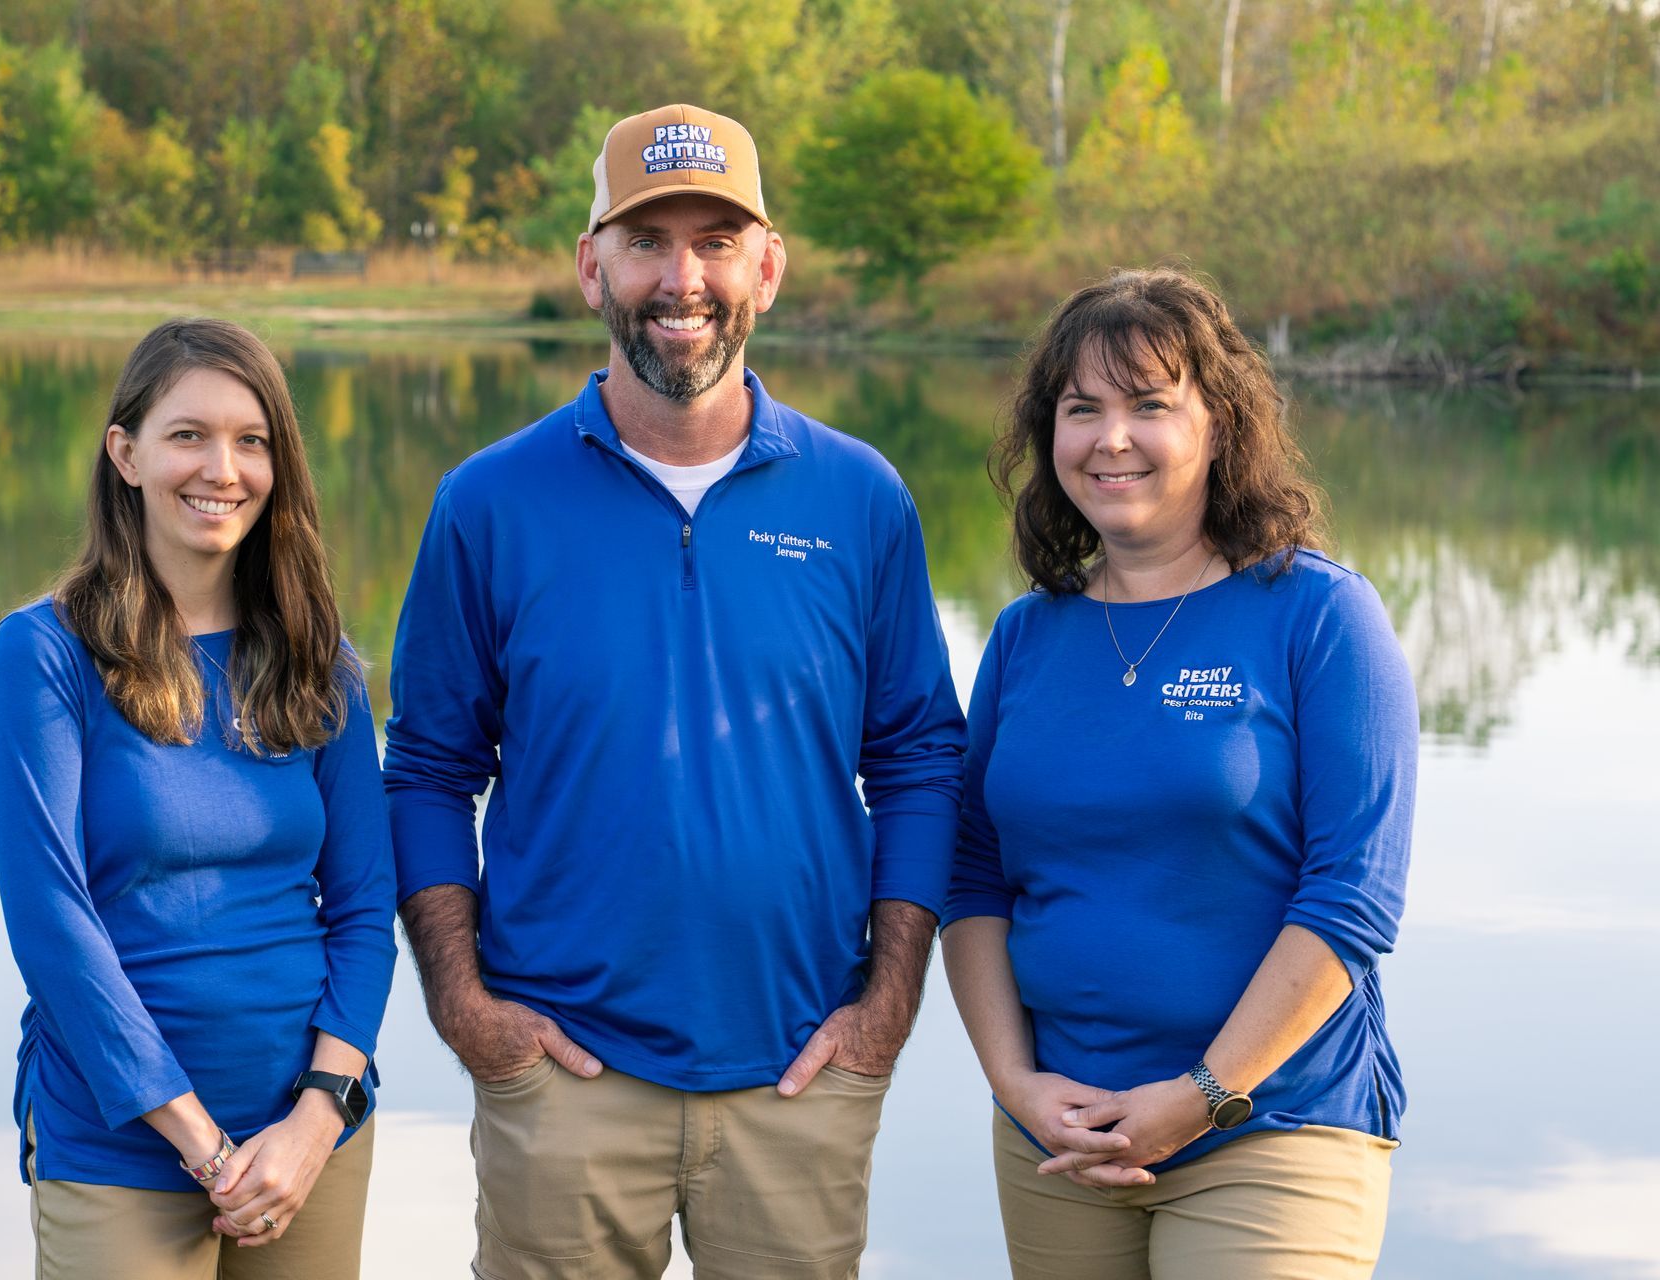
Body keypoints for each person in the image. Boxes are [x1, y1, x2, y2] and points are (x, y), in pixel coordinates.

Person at [384, 103, 965, 1279]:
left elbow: (916, 759)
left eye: (714, 240)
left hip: (802, 1072)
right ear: (592, 264)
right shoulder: (488, 502)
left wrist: (890, 1001)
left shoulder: (861, 498)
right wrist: (463, 1005)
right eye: (648, 240)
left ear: (769, 264)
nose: (681, 277)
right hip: (563, 1077)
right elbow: (430, 770)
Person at [942, 268, 1418, 1279]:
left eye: (1149, 404)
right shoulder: (1028, 634)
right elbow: (975, 875)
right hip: (1057, 1135)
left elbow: (1352, 900)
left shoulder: (1319, 616)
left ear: (1220, 424)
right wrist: (1014, 1080)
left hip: (1273, 1126)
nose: (1111, 438)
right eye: (1083, 409)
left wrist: (1200, 1092)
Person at [0, 317, 396, 1279]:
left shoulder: (318, 663)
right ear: (124, 453)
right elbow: (52, 927)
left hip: (310, 1146)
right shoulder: (45, 657)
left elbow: (368, 908)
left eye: (252, 441)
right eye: (187, 435)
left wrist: (314, 1117)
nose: (223, 468)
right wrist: (202, 1143)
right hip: (122, 1150)